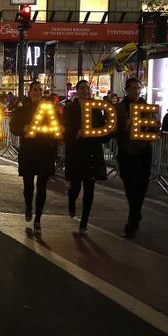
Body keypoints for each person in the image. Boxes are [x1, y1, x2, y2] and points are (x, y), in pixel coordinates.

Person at [9, 81, 58, 235]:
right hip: (28, 151)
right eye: (35, 90)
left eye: (40, 90)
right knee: (28, 186)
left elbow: (57, 126)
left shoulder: (50, 110)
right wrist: (23, 128)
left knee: (42, 186)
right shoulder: (21, 111)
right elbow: (13, 128)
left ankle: (38, 219)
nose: (38, 92)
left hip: (44, 150)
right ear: (29, 92)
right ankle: (28, 206)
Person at [63, 80, 108, 235]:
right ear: (77, 91)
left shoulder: (96, 109)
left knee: (90, 188)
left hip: (91, 152)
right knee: (75, 186)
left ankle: (84, 222)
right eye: (82, 88)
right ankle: (71, 200)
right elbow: (65, 128)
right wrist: (75, 134)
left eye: (87, 88)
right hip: (76, 152)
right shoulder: (69, 108)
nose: (85, 91)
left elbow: (102, 128)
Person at [115, 77, 158, 239]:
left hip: (144, 152)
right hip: (126, 153)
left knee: (141, 187)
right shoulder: (119, 109)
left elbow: (153, 131)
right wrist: (124, 127)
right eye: (133, 88)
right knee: (130, 187)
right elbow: (113, 132)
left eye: (138, 88)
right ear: (127, 89)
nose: (136, 91)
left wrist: (154, 129)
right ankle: (136, 212)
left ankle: (132, 221)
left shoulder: (147, 108)